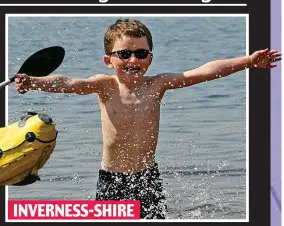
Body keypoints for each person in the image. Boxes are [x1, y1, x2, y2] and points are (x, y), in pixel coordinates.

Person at [14, 18, 281, 219]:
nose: (133, 59)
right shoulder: (104, 86)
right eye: (124, 54)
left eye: (141, 54)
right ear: (109, 60)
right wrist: (34, 81)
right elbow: (69, 82)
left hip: (147, 177)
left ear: (150, 58)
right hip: (111, 179)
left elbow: (203, 71)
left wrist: (247, 61)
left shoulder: (158, 85)